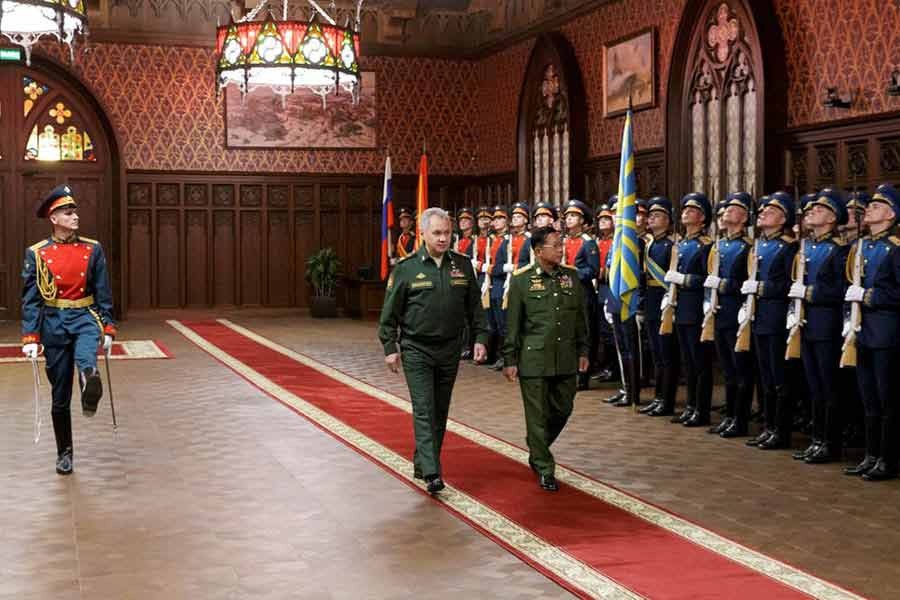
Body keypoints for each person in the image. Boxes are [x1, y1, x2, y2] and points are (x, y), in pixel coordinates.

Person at [378, 207, 489, 494]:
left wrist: (480, 338)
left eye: (447, 233)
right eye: (437, 233)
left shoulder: (462, 266)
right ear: (424, 234)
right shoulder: (407, 268)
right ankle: (432, 472)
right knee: (425, 409)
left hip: (450, 349)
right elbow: (389, 314)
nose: (442, 238)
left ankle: (422, 462)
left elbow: (475, 308)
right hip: (416, 348)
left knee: (440, 409)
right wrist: (390, 347)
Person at [21, 184, 117, 475]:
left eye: (75, 212)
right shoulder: (36, 253)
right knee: (59, 396)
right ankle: (65, 453)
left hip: (85, 316)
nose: (75, 217)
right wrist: (30, 337)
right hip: (53, 322)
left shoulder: (93, 249)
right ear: (54, 218)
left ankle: (90, 382)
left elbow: (103, 292)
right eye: (68, 212)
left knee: (87, 357)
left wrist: (109, 328)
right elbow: (31, 298)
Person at [502, 226, 589, 491]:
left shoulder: (571, 278)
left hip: (565, 357)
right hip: (534, 358)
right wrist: (510, 359)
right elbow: (513, 325)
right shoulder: (521, 280)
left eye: (562, 245)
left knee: (563, 408)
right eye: (556, 246)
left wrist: (584, 351)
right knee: (537, 416)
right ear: (539, 251)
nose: (562, 250)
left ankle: (536, 446)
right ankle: (544, 467)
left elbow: (580, 319)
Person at [787, 189, 849, 463]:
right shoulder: (807, 247)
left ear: (833, 218)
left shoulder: (839, 251)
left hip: (827, 326)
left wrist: (809, 293)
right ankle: (817, 439)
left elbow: (841, 290)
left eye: (819, 210)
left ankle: (831, 443)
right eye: (810, 209)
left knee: (828, 386)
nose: (811, 212)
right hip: (806, 323)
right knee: (814, 385)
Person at [843, 184, 900, 481]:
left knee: (887, 400)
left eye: (877, 207)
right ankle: (871, 454)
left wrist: (868, 296)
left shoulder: (895, 248)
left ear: (891, 214)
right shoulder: (863, 246)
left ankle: (888, 459)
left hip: (887, 333)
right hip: (862, 331)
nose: (869, 210)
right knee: (869, 399)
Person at [742, 192, 798, 450]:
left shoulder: (788, 247)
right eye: (762, 209)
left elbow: (789, 284)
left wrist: (762, 287)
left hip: (776, 318)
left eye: (770, 210)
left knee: (779, 378)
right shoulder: (760, 245)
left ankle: (781, 430)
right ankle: (769, 427)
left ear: (784, 218)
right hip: (759, 316)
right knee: (765, 376)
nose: (763, 212)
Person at [703, 192, 754, 437]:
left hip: (737, 314)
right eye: (725, 210)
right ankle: (730, 416)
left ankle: (740, 419)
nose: (725, 213)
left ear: (744, 218)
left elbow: (746, 283)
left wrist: (723, 285)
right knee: (727, 371)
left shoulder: (747, 248)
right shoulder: (719, 245)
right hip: (720, 313)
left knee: (741, 370)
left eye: (733, 209)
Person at [665, 192, 714, 426]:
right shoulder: (682, 244)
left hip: (695, 309)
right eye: (684, 209)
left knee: (700, 362)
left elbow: (707, 278)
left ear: (703, 218)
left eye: (692, 210)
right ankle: (691, 406)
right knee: (688, 362)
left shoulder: (705, 245)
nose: (685, 212)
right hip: (681, 308)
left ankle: (701, 410)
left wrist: (684, 280)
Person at [641, 197, 680, 417]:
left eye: (657, 215)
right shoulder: (650, 244)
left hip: (666, 300)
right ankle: (658, 397)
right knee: (656, 353)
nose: (651, 218)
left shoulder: (671, 245)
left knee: (667, 354)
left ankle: (667, 400)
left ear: (667, 220)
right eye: (651, 215)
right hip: (652, 300)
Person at [561, 199, 600, 390]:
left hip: (583, 293)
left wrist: (572, 272)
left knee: (584, 334)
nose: (569, 219)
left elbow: (593, 270)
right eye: (567, 216)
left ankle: (583, 376)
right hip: (564, 291)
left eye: (573, 216)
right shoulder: (564, 240)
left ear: (582, 220)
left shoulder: (588, 242)